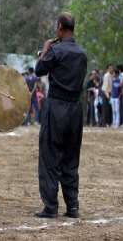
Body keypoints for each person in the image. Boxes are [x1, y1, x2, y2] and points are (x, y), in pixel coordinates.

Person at [34, 12, 87, 218]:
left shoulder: (55, 50)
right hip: (75, 109)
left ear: (59, 28)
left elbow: (39, 70)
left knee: (50, 156)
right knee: (71, 158)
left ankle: (50, 206)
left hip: (56, 106)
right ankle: (72, 206)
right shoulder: (82, 53)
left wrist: (46, 49)